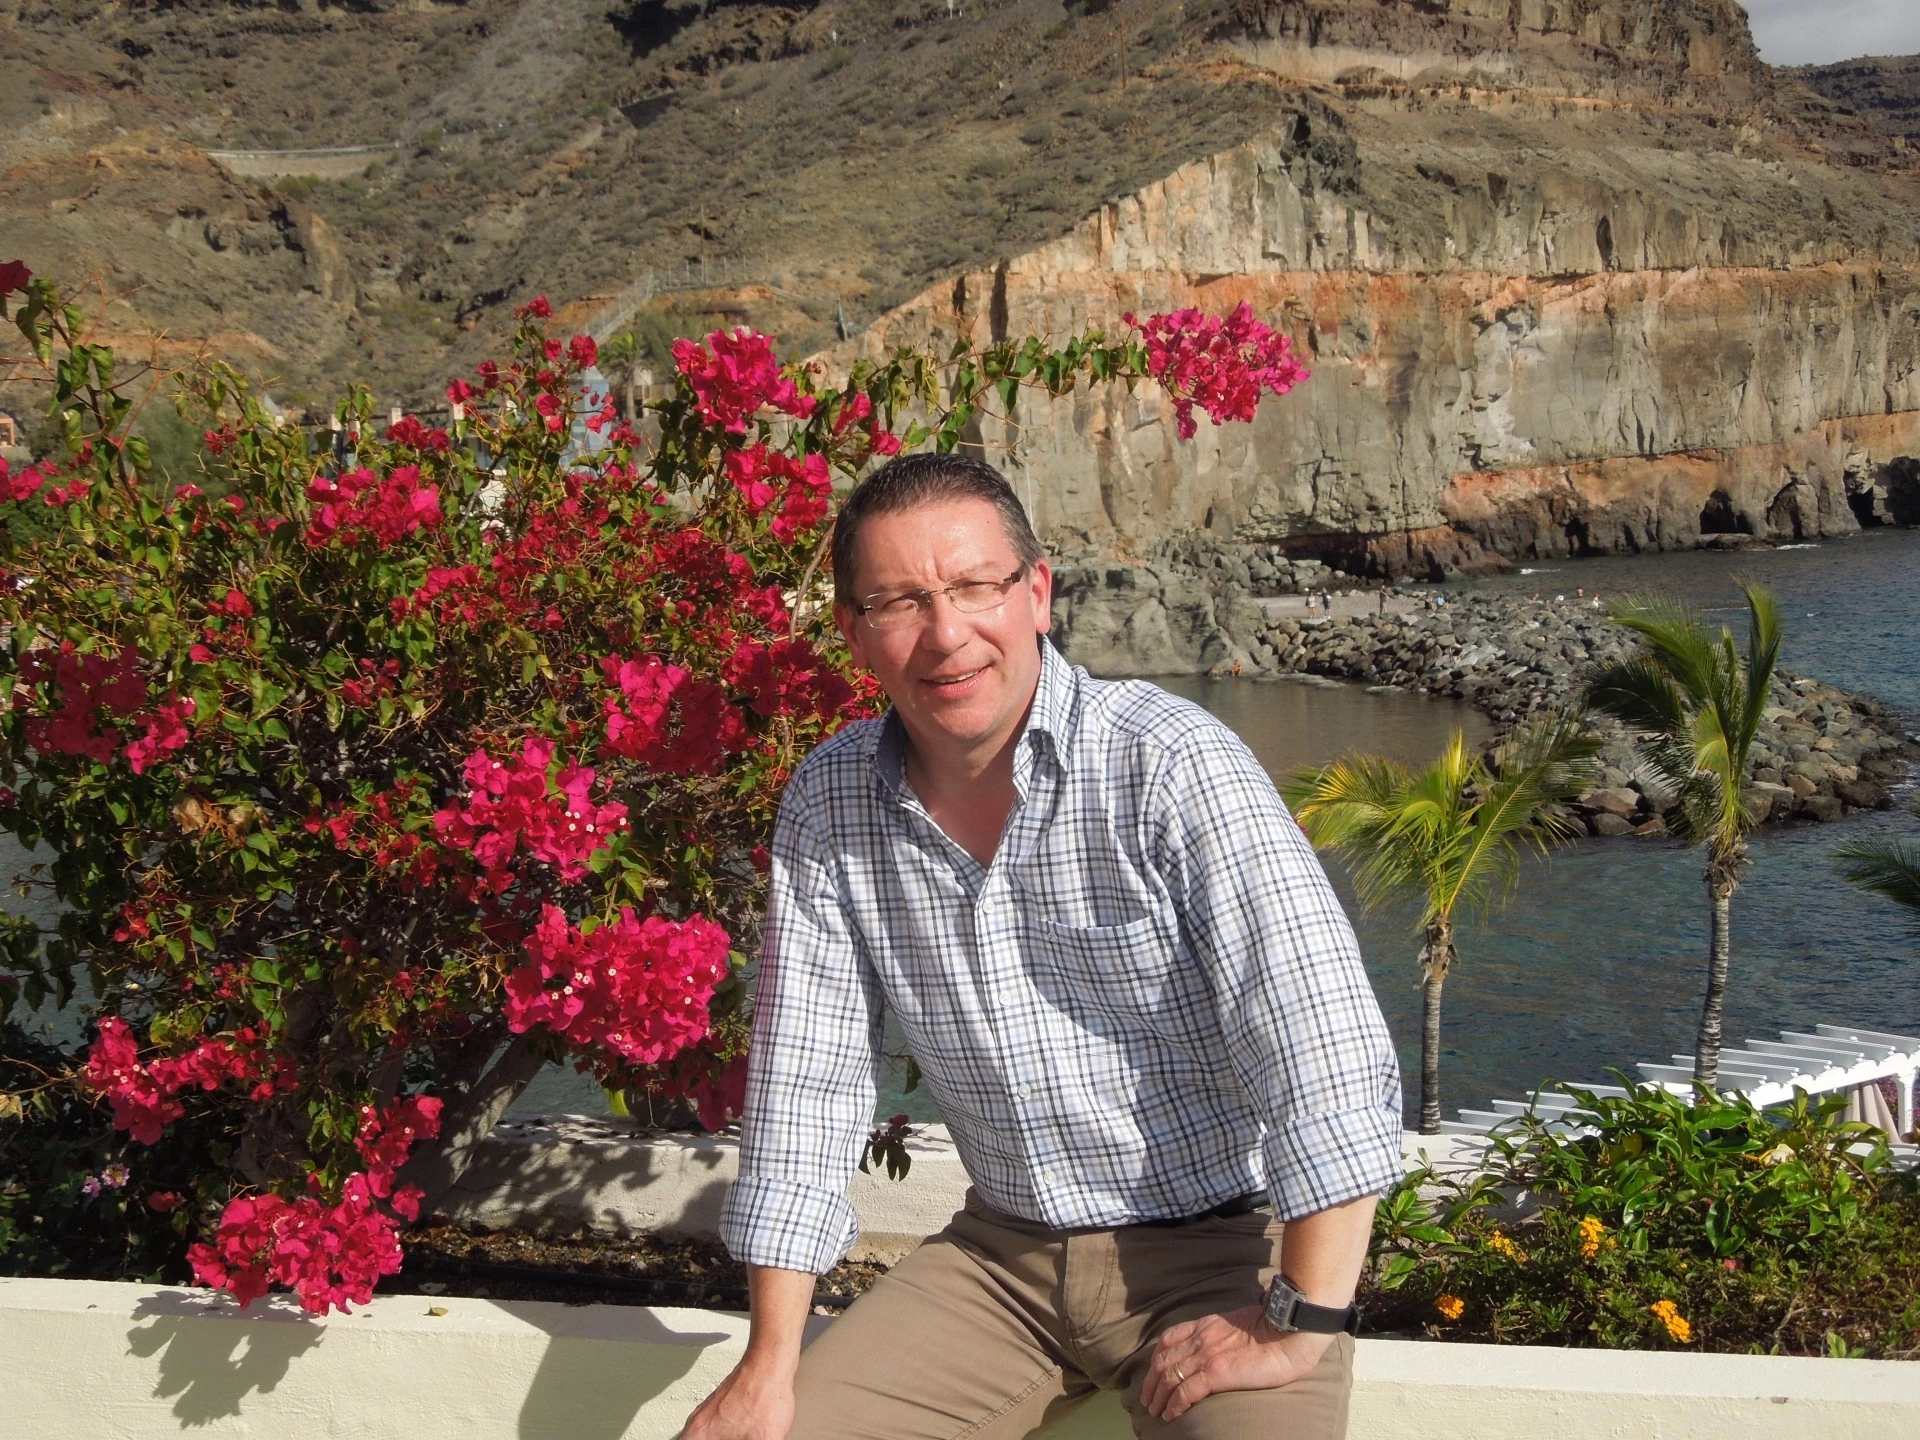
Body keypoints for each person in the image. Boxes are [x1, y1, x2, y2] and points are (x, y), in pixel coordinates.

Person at [681, 453, 1402, 1440]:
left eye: (977, 586)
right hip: (999, 1264)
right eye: (897, 601)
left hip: (1219, 1251)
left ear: (1037, 593)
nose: (946, 634)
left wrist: (1301, 1320)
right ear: (854, 633)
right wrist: (769, 1364)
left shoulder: (1166, 763)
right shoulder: (831, 801)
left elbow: (1319, 1042)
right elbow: (805, 1089)